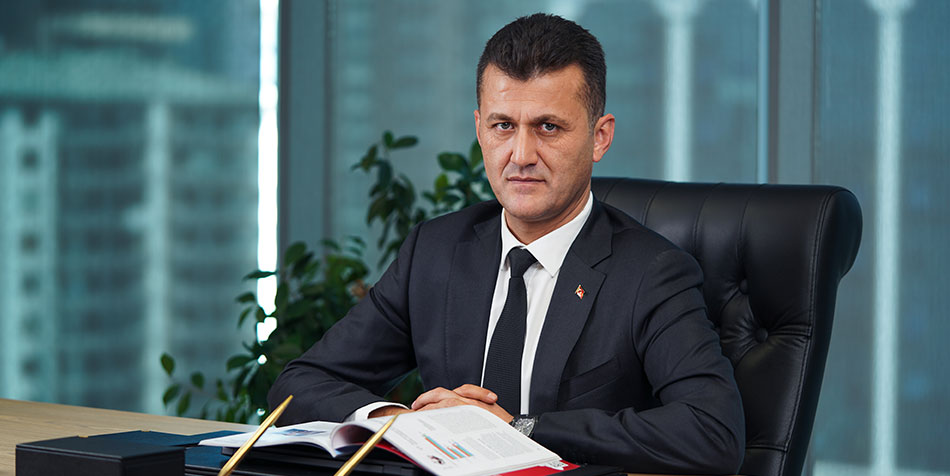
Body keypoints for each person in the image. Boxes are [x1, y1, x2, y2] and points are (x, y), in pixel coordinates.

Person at [268, 13, 744, 475]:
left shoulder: (651, 272)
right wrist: (401, 422)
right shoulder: (435, 250)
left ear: (599, 138)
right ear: (480, 129)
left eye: (548, 127)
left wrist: (521, 429)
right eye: (503, 126)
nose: (521, 155)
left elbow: (712, 432)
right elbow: (298, 385)